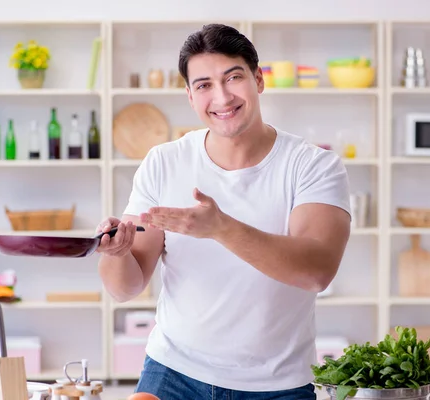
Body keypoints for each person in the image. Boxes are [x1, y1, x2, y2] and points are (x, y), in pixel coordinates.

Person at [96, 23, 351, 400]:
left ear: (258, 80)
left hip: (278, 385)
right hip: (173, 372)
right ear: (189, 96)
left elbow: (316, 272)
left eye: (233, 78)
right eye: (204, 85)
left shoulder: (313, 166)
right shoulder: (165, 162)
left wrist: (221, 228)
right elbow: (125, 288)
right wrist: (117, 253)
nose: (222, 97)